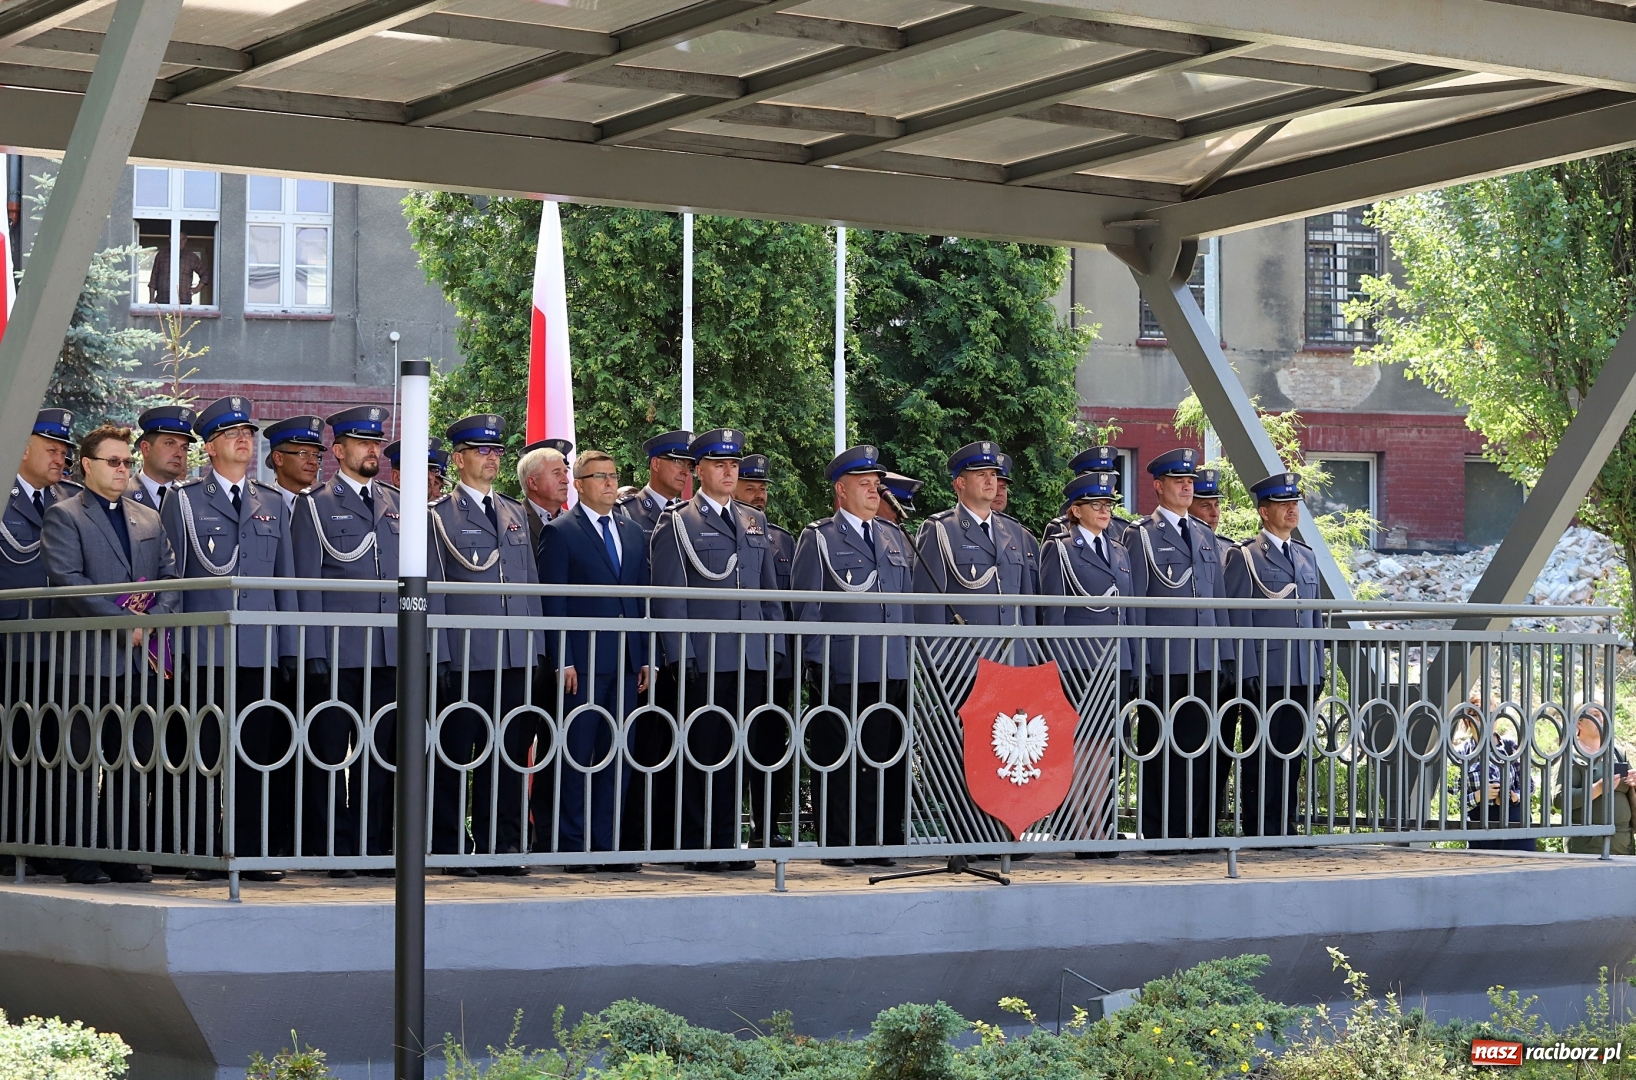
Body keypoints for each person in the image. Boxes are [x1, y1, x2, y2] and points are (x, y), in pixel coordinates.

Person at [292, 406, 438, 875]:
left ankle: (373, 847)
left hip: (391, 651)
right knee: (330, 756)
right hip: (338, 652)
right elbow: (305, 581)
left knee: (381, 755)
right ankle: (330, 849)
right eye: (362, 442)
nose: (373, 449)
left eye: (377, 442)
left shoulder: (397, 503)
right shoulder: (314, 505)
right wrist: (312, 648)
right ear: (339, 451)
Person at [159, 397, 299, 879]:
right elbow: (172, 580)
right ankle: (199, 851)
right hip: (203, 650)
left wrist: (291, 650)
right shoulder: (183, 500)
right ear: (212, 447)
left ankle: (250, 851)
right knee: (201, 755)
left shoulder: (273, 502)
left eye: (250, 434)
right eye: (234, 434)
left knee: (256, 755)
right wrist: (171, 649)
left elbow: (287, 584)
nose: (246, 440)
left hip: (259, 651)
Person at [43, 423, 180, 885]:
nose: (123, 470)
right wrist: (128, 625)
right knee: (81, 759)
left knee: (133, 758)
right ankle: (79, 856)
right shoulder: (66, 515)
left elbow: (168, 580)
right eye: (114, 462)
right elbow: (68, 580)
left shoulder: (148, 517)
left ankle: (121, 852)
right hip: (87, 659)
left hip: (138, 664)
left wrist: (153, 621)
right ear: (87, 464)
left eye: (127, 462)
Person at [649, 428, 784, 870]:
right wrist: (680, 654)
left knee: (739, 753)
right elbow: (671, 595)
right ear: (699, 471)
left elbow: (768, 593)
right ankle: (699, 845)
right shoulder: (679, 521)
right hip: (705, 657)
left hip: (749, 656)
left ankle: (728, 841)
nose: (729, 472)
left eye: (734, 465)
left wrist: (775, 646)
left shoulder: (753, 521)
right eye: (719, 465)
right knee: (703, 751)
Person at [790, 446, 912, 865]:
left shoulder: (893, 536)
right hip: (841, 667)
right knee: (839, 756)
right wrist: (815, 662)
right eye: (865, 485)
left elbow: (907, 604)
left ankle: (880, 839)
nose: (874, 491)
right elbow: (807, 607)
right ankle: (839, 841)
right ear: (841, 491)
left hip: (892, 663)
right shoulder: (820, 537)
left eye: (876, 485)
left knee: (885, 756)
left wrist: (908, 654)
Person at [428, 414, 539, 875]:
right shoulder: (438, 515)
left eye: (496, 452)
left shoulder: (514, 512)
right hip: (466, 655)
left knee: (508, 754)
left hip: (513, 654)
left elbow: (529, 584)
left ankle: (503, 844)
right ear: (459, 459)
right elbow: (435, 590)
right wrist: (442, 656)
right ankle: (451, 847)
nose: (492, 459)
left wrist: (535, 648)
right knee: (455, 755)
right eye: (481, 451)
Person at [536, 450, 650, 868]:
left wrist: (646, 657)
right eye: (598, 476)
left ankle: (608, 843)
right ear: (579, 485)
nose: (608, 482)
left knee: (619, 752)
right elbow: (555, 600)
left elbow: (641, 600)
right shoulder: (562, 532)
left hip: (625, 661)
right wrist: (562, 657)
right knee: (576, 753)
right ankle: (572, 844)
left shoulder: (632, 531)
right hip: (581, 664)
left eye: (613, 475)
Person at [1126, 447, 1235, 841]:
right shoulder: (1141, 535)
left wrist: (1226, 655)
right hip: (1164, 660)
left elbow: (1218, 601)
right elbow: (1136, 604)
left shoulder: (1205, 535)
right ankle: (1158, 832)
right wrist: (1140, 664)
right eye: (1179, 481)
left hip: (1204, 658)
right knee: (1160, 748)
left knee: (1201, 746)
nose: (1188, 486)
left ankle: (1197, 830)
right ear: (1159, 486)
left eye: (1190, 481)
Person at [0, 410, 80, 873]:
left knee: (54, 749)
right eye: (50, 448)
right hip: (12, 645)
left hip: (60, 647)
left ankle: (46, 843)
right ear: (21, 447)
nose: (60, 456)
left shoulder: (67, 499)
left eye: (64, 449)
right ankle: (8, 845)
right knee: (11, 750)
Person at [1223, 472, 1323, 837]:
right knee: (1259, 752)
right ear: (1265, 512)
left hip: (1300, 672)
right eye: (1283, 505)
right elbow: (1240, 617)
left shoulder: (1306, 556)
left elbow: (1315, 617)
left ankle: (1286, 826)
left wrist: (1318, 667)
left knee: (1291, 752)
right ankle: (1258, 827)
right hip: (1266, 671)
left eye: (1294, 504)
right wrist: (1247, 670)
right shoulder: (1246, 556)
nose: (1291, 510)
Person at [1039, 470, 1132, 853]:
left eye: (1108, 504)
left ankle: (1100, 822)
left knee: (1107, 745)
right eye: (1097, 504)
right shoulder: (1060, 549)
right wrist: (1054, 666)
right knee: (1077, 746)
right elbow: (1054, 614)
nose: (1105, 510)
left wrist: (1132, 659)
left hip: (1114, 660)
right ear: (1076, 511)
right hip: (1077, 661)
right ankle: (1080, 826)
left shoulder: (1121, 550)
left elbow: (1130, 613)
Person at [734, 452, 796, 848]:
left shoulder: (781, 539)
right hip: (736, 658)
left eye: (762, 489)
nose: (758, 496)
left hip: (777, 662)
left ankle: (767, 827)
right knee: (733, 745)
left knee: (771, 749)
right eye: (750, 487)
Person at [913, 441, 1038, 635]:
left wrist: (1029, 655)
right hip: (968, 655)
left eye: (993, 474)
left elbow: (1026, 603)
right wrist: (937, 664)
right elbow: (928, 606)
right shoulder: (940, 529)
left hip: (1014, 654)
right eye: (981, 474)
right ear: (961, 483)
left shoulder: (1013, 530)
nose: (990, 481)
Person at [1558, 706, 1634, 855]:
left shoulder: (1617, 753)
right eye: (1595, 715)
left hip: (1623, 842)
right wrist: (1598, 789)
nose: (1602, 719)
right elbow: (1560, 800)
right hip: (1588, 844)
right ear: (1579, 723)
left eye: (1604, 714)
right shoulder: (1572, 755)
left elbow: (1630, 792)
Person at [1043, 447, 1130, 547]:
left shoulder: (1124, 528)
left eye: (1110, 479)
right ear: (1079, 480)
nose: (1106, 486)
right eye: (1095, 479)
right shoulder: (1060, 527)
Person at [616, 429, 692, 539]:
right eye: (678, 462)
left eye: (690, 467)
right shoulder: (623, 512)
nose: (686, 472)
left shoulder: (691, 514)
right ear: (656, 464)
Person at [125, 405, 196, 514]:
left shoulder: (191, 499)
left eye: (184, 447)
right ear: (146, 449)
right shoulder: (121, 494)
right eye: (169, 444)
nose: (179, 454)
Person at [263, 415, 325, 518]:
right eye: (303, 453)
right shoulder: (260, 505)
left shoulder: (325, 505)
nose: (314, 462)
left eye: (316, 455)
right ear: (278, 458)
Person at [518, 438, 572, 552]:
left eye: (565, 472)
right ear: (533, 483)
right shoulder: (512, 520)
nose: (566, 480)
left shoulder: (577, 521)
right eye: (557, 473)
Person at [384, 437, 448, 501]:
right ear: (397, 477)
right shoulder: (381, 510)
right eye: (420, 470)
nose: (430, 477)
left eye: (433, 470)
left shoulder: (432, 511)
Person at [1188, 467, 1223, 534]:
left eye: (1216, 505)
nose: (1214, 513)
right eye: (1205, 506)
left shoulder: (1224, 544)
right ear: (1187, 507)